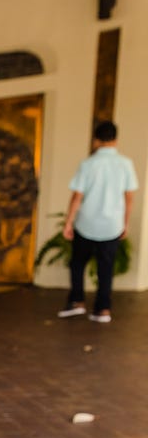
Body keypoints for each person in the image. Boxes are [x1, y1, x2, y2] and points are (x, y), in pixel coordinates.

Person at [58, 120, 138, 323]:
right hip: (112, 225)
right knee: (106, 268)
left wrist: (69, 222)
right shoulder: (126, 164)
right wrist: (125, 224)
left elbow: (77, 196)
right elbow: (129, 198)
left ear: (96, 140)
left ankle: (76, 302)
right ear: (116, 140)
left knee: (77, 263)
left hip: (86, 223)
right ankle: (103, 310)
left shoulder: (88, 164)